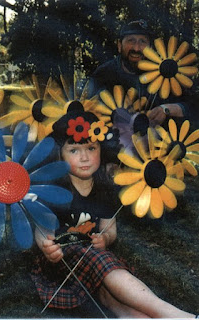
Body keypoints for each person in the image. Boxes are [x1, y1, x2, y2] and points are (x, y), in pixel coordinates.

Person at [30, 102, 197, 318]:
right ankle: (173, 314)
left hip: (94, 265)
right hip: (61, 264)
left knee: (113, 298)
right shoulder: (55, 188)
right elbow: (42, 227)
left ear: (101, 150)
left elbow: (110, 229)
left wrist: (105, 239)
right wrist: (46, 244)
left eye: (91, 148)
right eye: (74, 150)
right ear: (60, 155)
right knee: (102, 263)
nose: (84, 157)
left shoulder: (104, 189)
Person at [91, 19, 196, 127]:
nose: (136, 48)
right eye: (131, 40)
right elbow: (88, 110)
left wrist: (167, 109)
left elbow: (192, 106)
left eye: (142, 41)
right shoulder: (103, 74)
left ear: (150, 47)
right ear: (119, 45)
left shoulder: (167, 72)